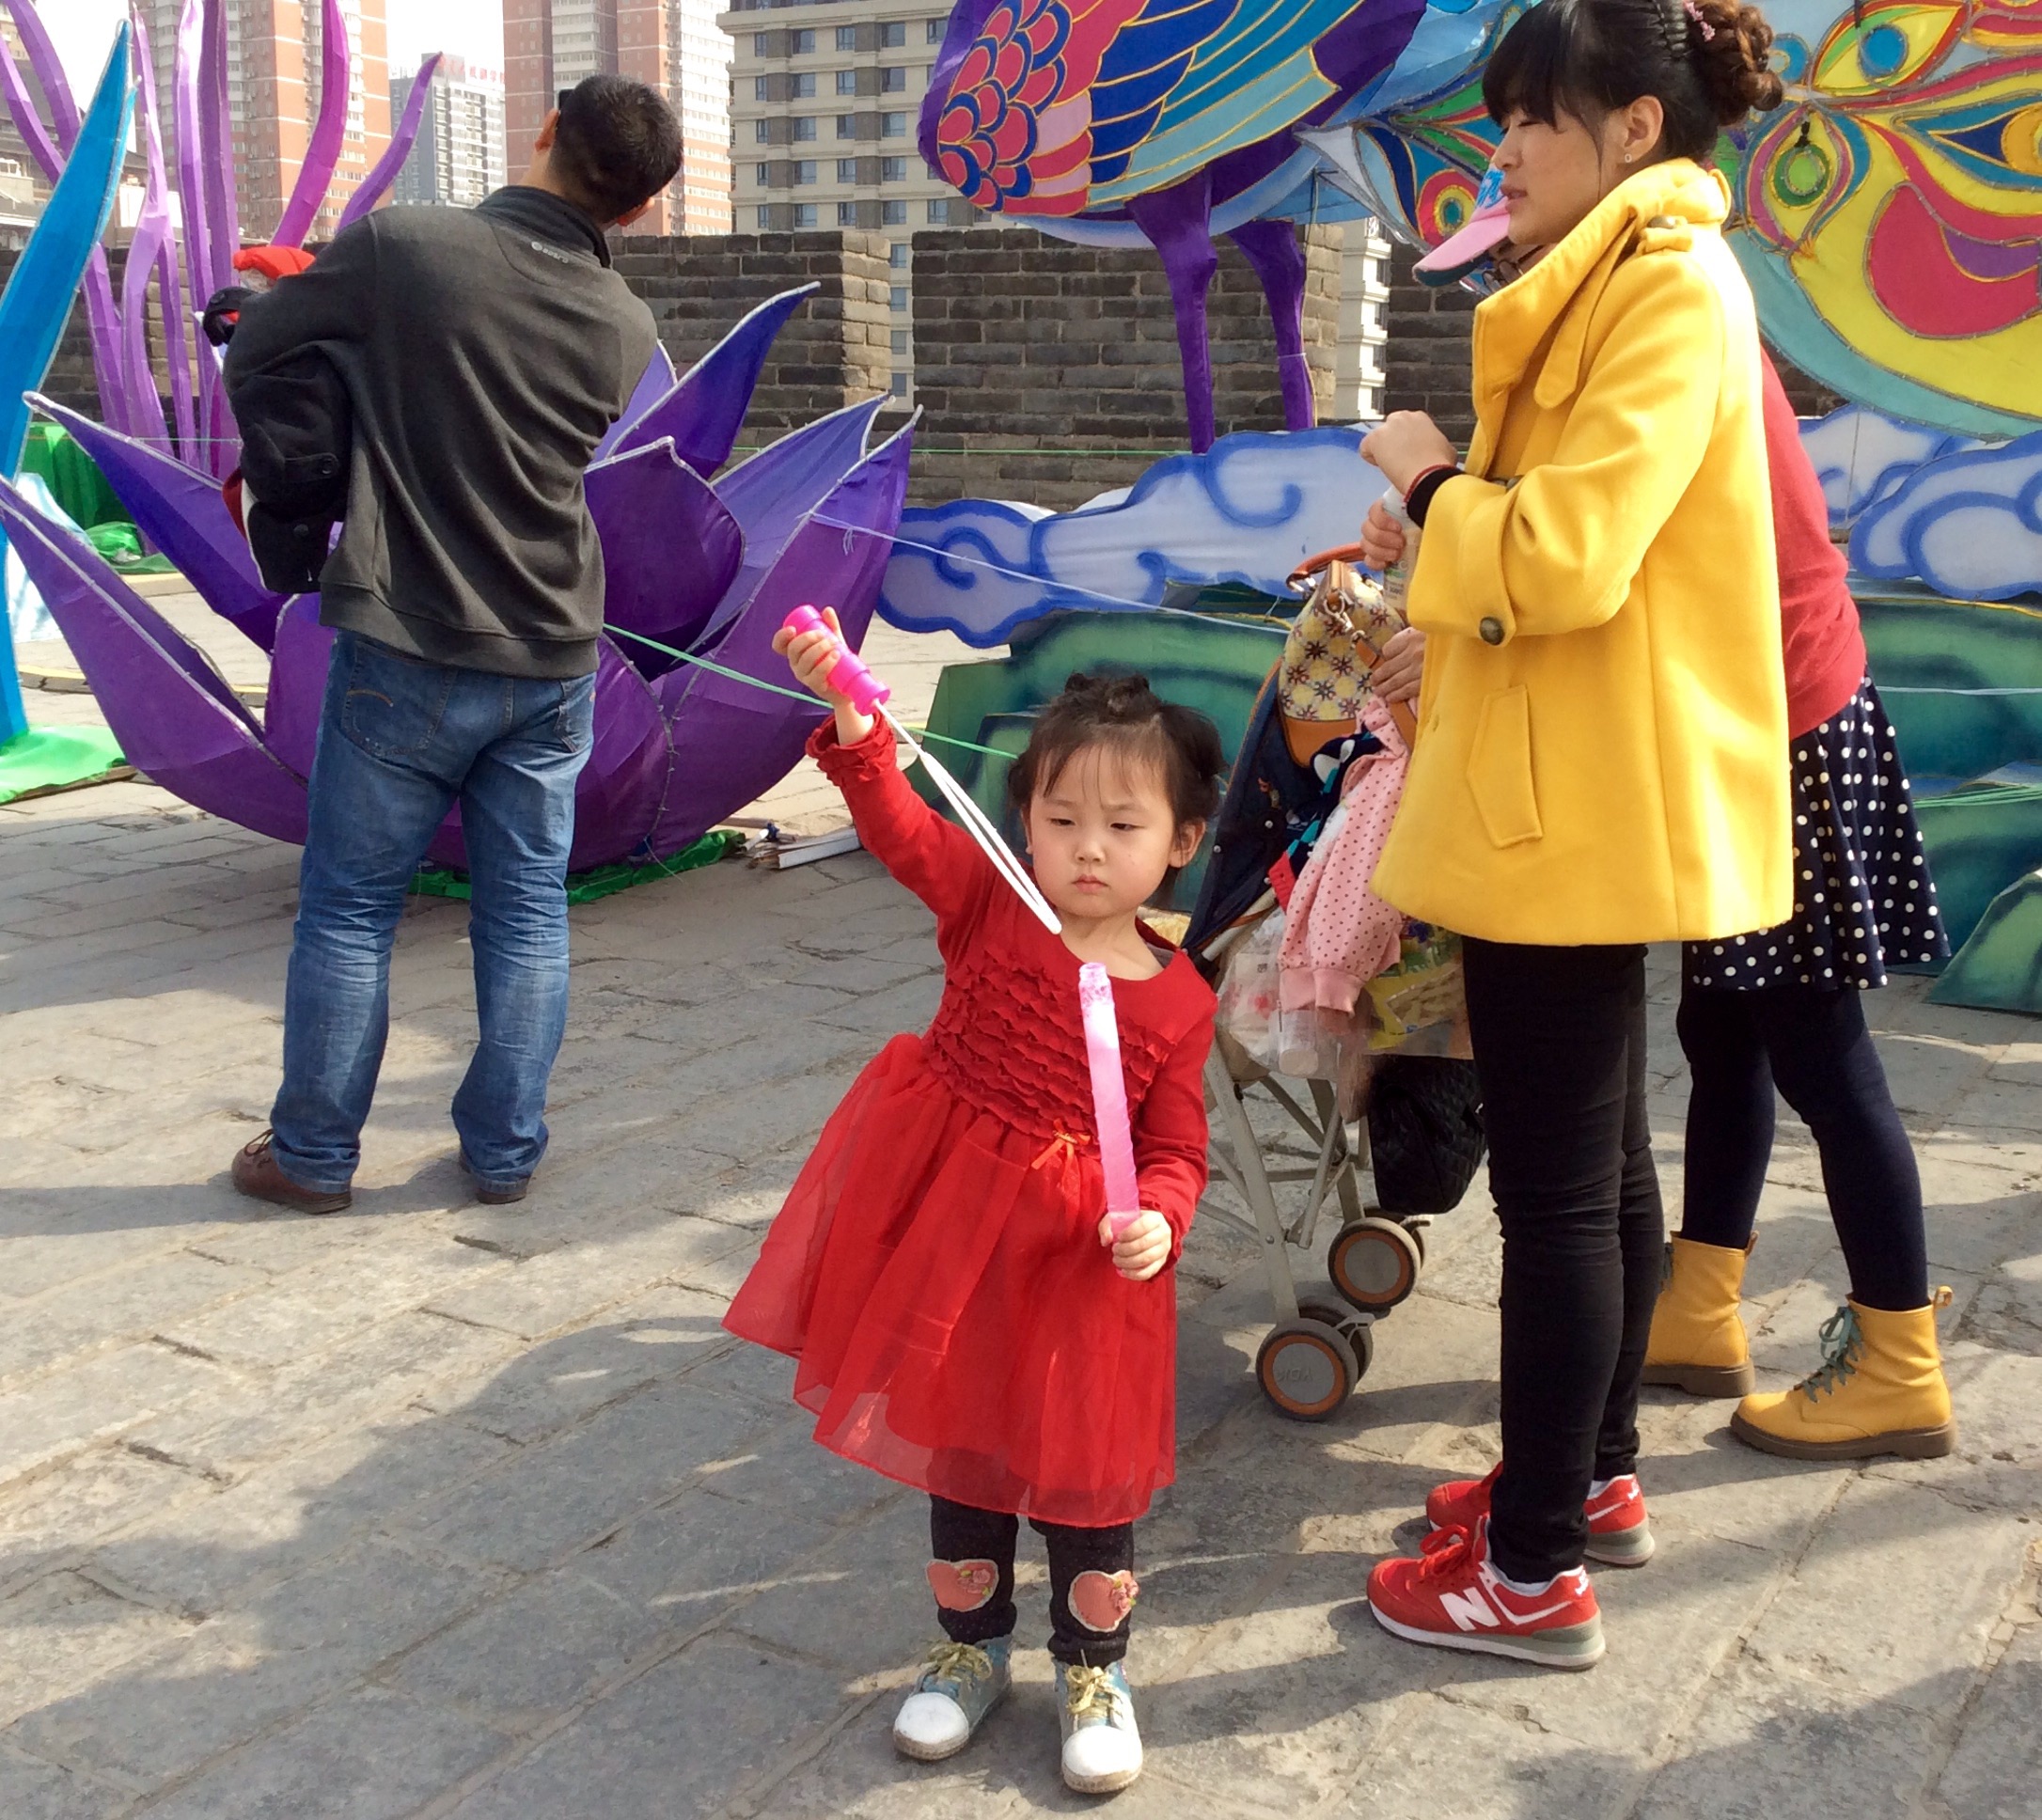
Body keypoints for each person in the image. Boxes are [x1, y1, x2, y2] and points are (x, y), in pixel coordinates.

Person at [1350, 0, 1793, 1671]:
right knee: (1598, 1170)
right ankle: (1587, 1480)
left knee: (1552, 1197)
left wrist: (1427, 482)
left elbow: (1564, 558)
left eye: (1536, 114)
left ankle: (1531, 1572)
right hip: (1569, 791)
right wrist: (1443, 528)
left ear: (1632, 127)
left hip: (1572, 808)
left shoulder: (1666, 285)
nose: (1507, 146)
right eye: (1507, 115)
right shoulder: (1626, 277)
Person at [725, 616, 1222, 1796]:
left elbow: (1178, 1146)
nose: (1087, 849)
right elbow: (902, 827)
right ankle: (969, 1646)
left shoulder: (1178, 1001)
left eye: (1122, 826)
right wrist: (855, 716)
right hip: (959, 1241)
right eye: (1061, 819)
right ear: (1024, 824)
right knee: (964, 1445)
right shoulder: (991, 905)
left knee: (1085, 1468)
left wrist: (1161, 1216)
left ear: (1182, 841)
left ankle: (1094, 1667)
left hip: (1083, 1266)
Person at [221, 76, 683, 1215]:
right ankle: (505, 1152)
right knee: (525, 912)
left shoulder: (406, 247)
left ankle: (313, 1156)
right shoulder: (626, 324)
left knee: (349, 909)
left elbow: (262, 344)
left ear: (545, 131)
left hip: (408, 639)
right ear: (636, 211)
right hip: (556, 652)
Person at [1644, 350, 1956, 1460]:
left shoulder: (1664, 309)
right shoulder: (1683, 300)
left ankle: (1899, 1367)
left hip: (1782, 726)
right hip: (1763, 710)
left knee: (1824, 1054)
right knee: (1722, 1029)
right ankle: (1698, 1309)